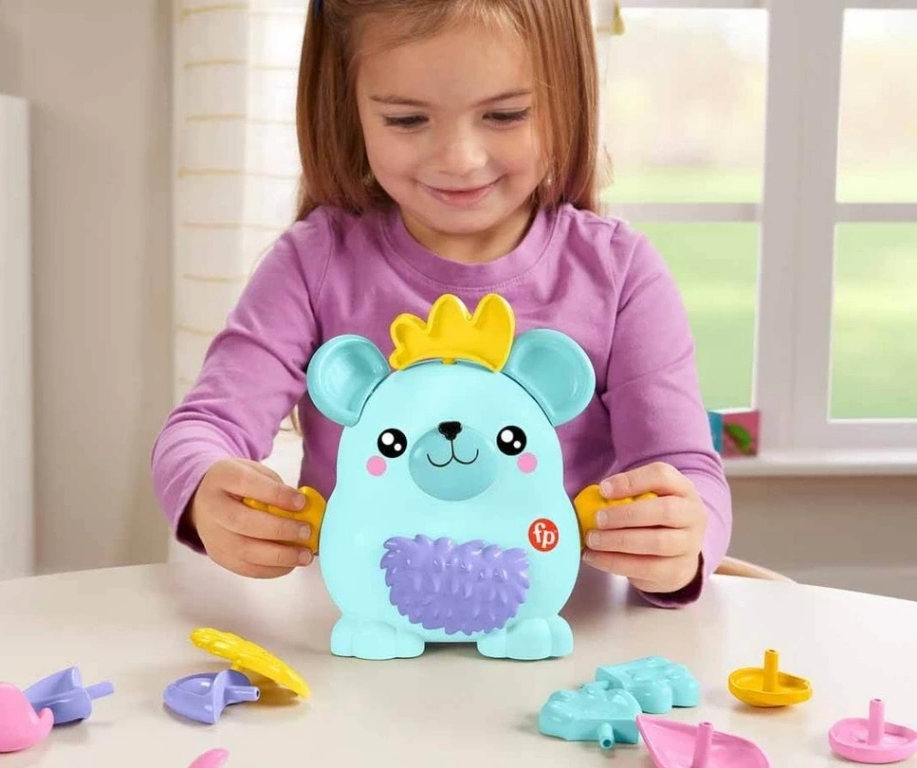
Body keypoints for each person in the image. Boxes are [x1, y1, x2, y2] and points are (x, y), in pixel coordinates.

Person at [151, 0, 731, 606]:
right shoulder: (313, 263)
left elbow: (686, 472)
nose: (459, 159)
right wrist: (205, 489)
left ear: (569, 98)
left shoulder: (619, 273)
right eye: (406, 120)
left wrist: (678, 544)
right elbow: (204, 428)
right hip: (361, 634)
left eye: (505, 114)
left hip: (556, 637)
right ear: (348, 108)